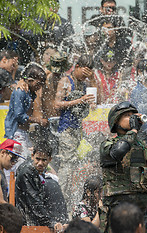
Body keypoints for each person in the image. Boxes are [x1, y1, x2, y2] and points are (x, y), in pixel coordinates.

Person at [100, 102, 147, 233]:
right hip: (119, 210)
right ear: (116, 120)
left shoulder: (146, 149)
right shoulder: (108, 145)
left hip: (143, 212)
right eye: (127, 115)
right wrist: (133, 131)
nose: (132, 118)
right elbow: (118, 152)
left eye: (133, 115)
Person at [55, 54, 96, 212]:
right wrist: (79, 101)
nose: (85, 76)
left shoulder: (84, 83)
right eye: (83, 72)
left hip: (78, 130)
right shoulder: (66, 81)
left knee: (77, 165)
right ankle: (61, 202)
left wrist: (91, 82)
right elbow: (57, 104)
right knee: (67, 165)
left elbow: (99, 101)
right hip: (66, 129)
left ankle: (72, 200)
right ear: (76, 67)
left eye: (89, 73)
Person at [15, 141, 68, 231]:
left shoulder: (38, 173)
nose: (40, 163)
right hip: (27, 223)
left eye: (44, 160)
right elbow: (34, 202)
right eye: (37, 159)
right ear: (32, 156)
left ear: (50, 160)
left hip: (36, 220)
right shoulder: (27, 172)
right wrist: (52, 223)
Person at [4, 62, 47, 160]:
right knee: (20, 162)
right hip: (16, 133)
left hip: (24, 133)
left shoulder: (30, 91)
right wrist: (38, 121)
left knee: (27, 160)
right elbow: (19, 115)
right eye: (38, 83)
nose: (40, 87)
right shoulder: (21, 91)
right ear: (30, 80)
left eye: (42, 84)